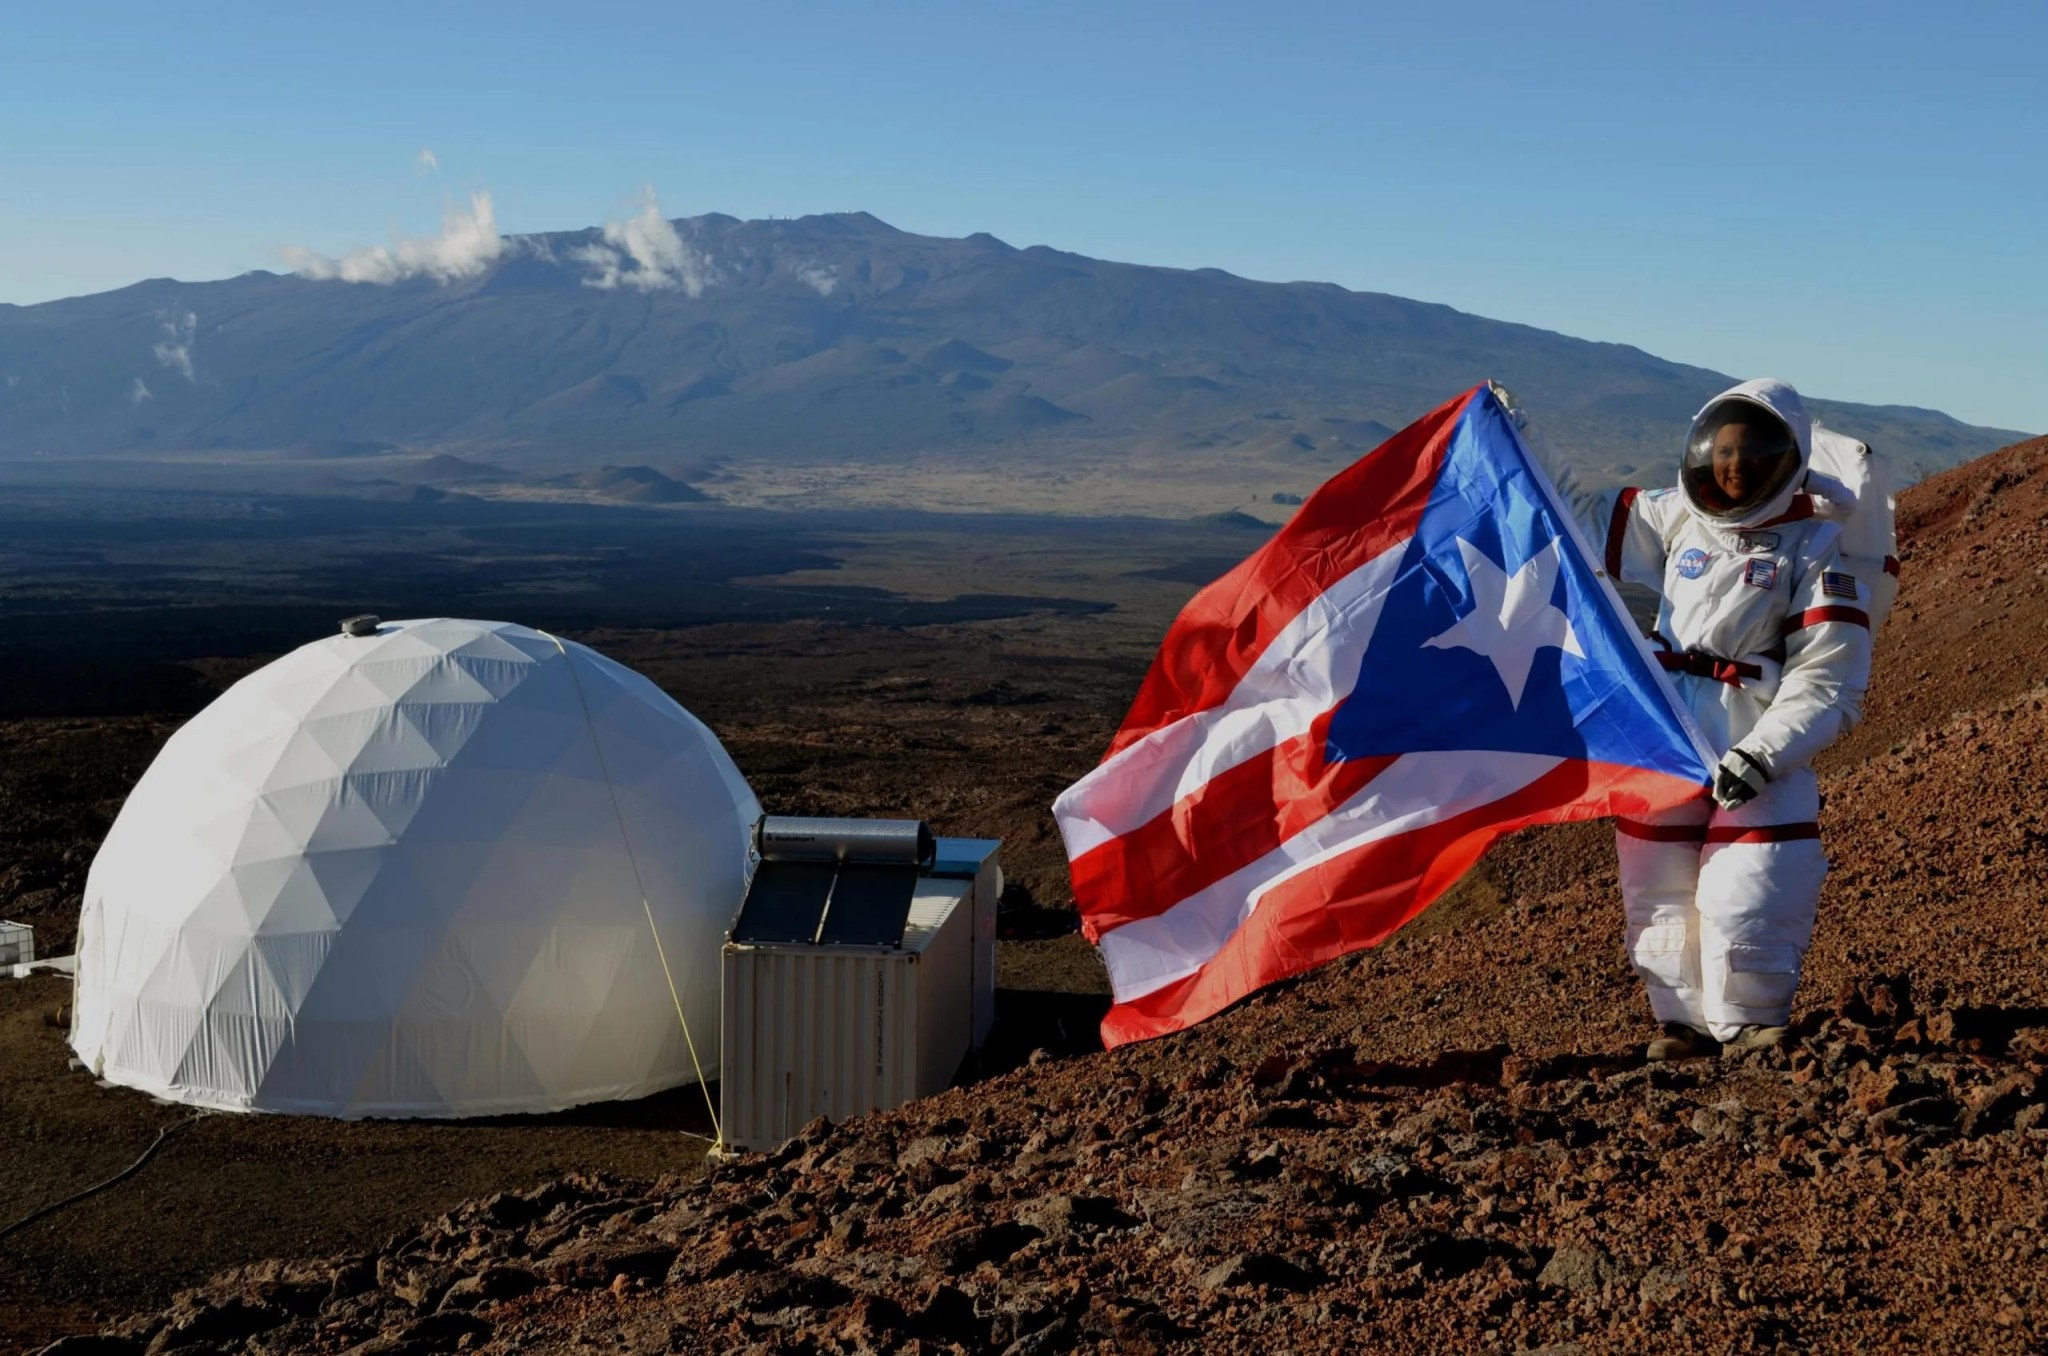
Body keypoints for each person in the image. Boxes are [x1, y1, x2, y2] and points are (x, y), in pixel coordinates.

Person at [1498, 378, 1875, 1060]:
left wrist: (1765, 753)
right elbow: (1574, 523)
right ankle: (1682, 1024)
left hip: (1753, 733)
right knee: (1658, 886)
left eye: (1751, 452)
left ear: (1786, 457)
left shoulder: (1817, 545)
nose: (1732, 465)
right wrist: (1520, 433)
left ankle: (1753, 1025)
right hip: (1669, 730)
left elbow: (1828, 678)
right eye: (1721, 450)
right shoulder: (1677, 518)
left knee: (1753, 882)